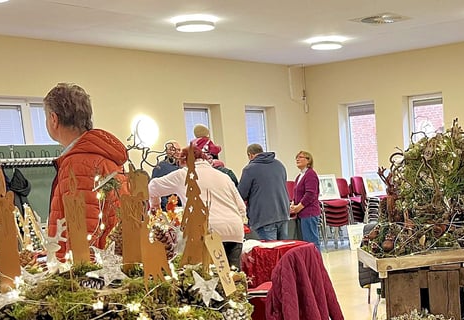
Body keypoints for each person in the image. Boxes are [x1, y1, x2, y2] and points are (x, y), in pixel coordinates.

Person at [44, 83, 126, 250]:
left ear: (54, 119)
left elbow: (83, 234)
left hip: (92, 271)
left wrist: (75, 273)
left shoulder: (79, 163)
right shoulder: (102, 156)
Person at [147, 140, 246, 269]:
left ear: (183, 161)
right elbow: (241, 207)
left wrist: (155, 204)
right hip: (234, 230)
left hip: (208, 231)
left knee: (208, 278)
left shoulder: (184, 174)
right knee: (233, 280)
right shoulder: (223, 176)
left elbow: (152, 186)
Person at [237, 144, 290, 241]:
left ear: (250, 155)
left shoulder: (250, 169)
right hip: (283, 213)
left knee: (269, 252)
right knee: (283, 250)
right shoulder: (279, 165)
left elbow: (241, 194)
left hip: (264, 217)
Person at [291, 150, 322, 251]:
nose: (297, 159)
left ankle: (316, 265)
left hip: (309, 213)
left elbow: (310, 194)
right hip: (301, 213)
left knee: (311, 242)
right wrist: (292, 204)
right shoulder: (299, 176)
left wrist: (298, 207)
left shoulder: (311, 174)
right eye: (297, 157)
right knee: (305, 244)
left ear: (308, 161)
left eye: (301, 157)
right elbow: (296, 193)